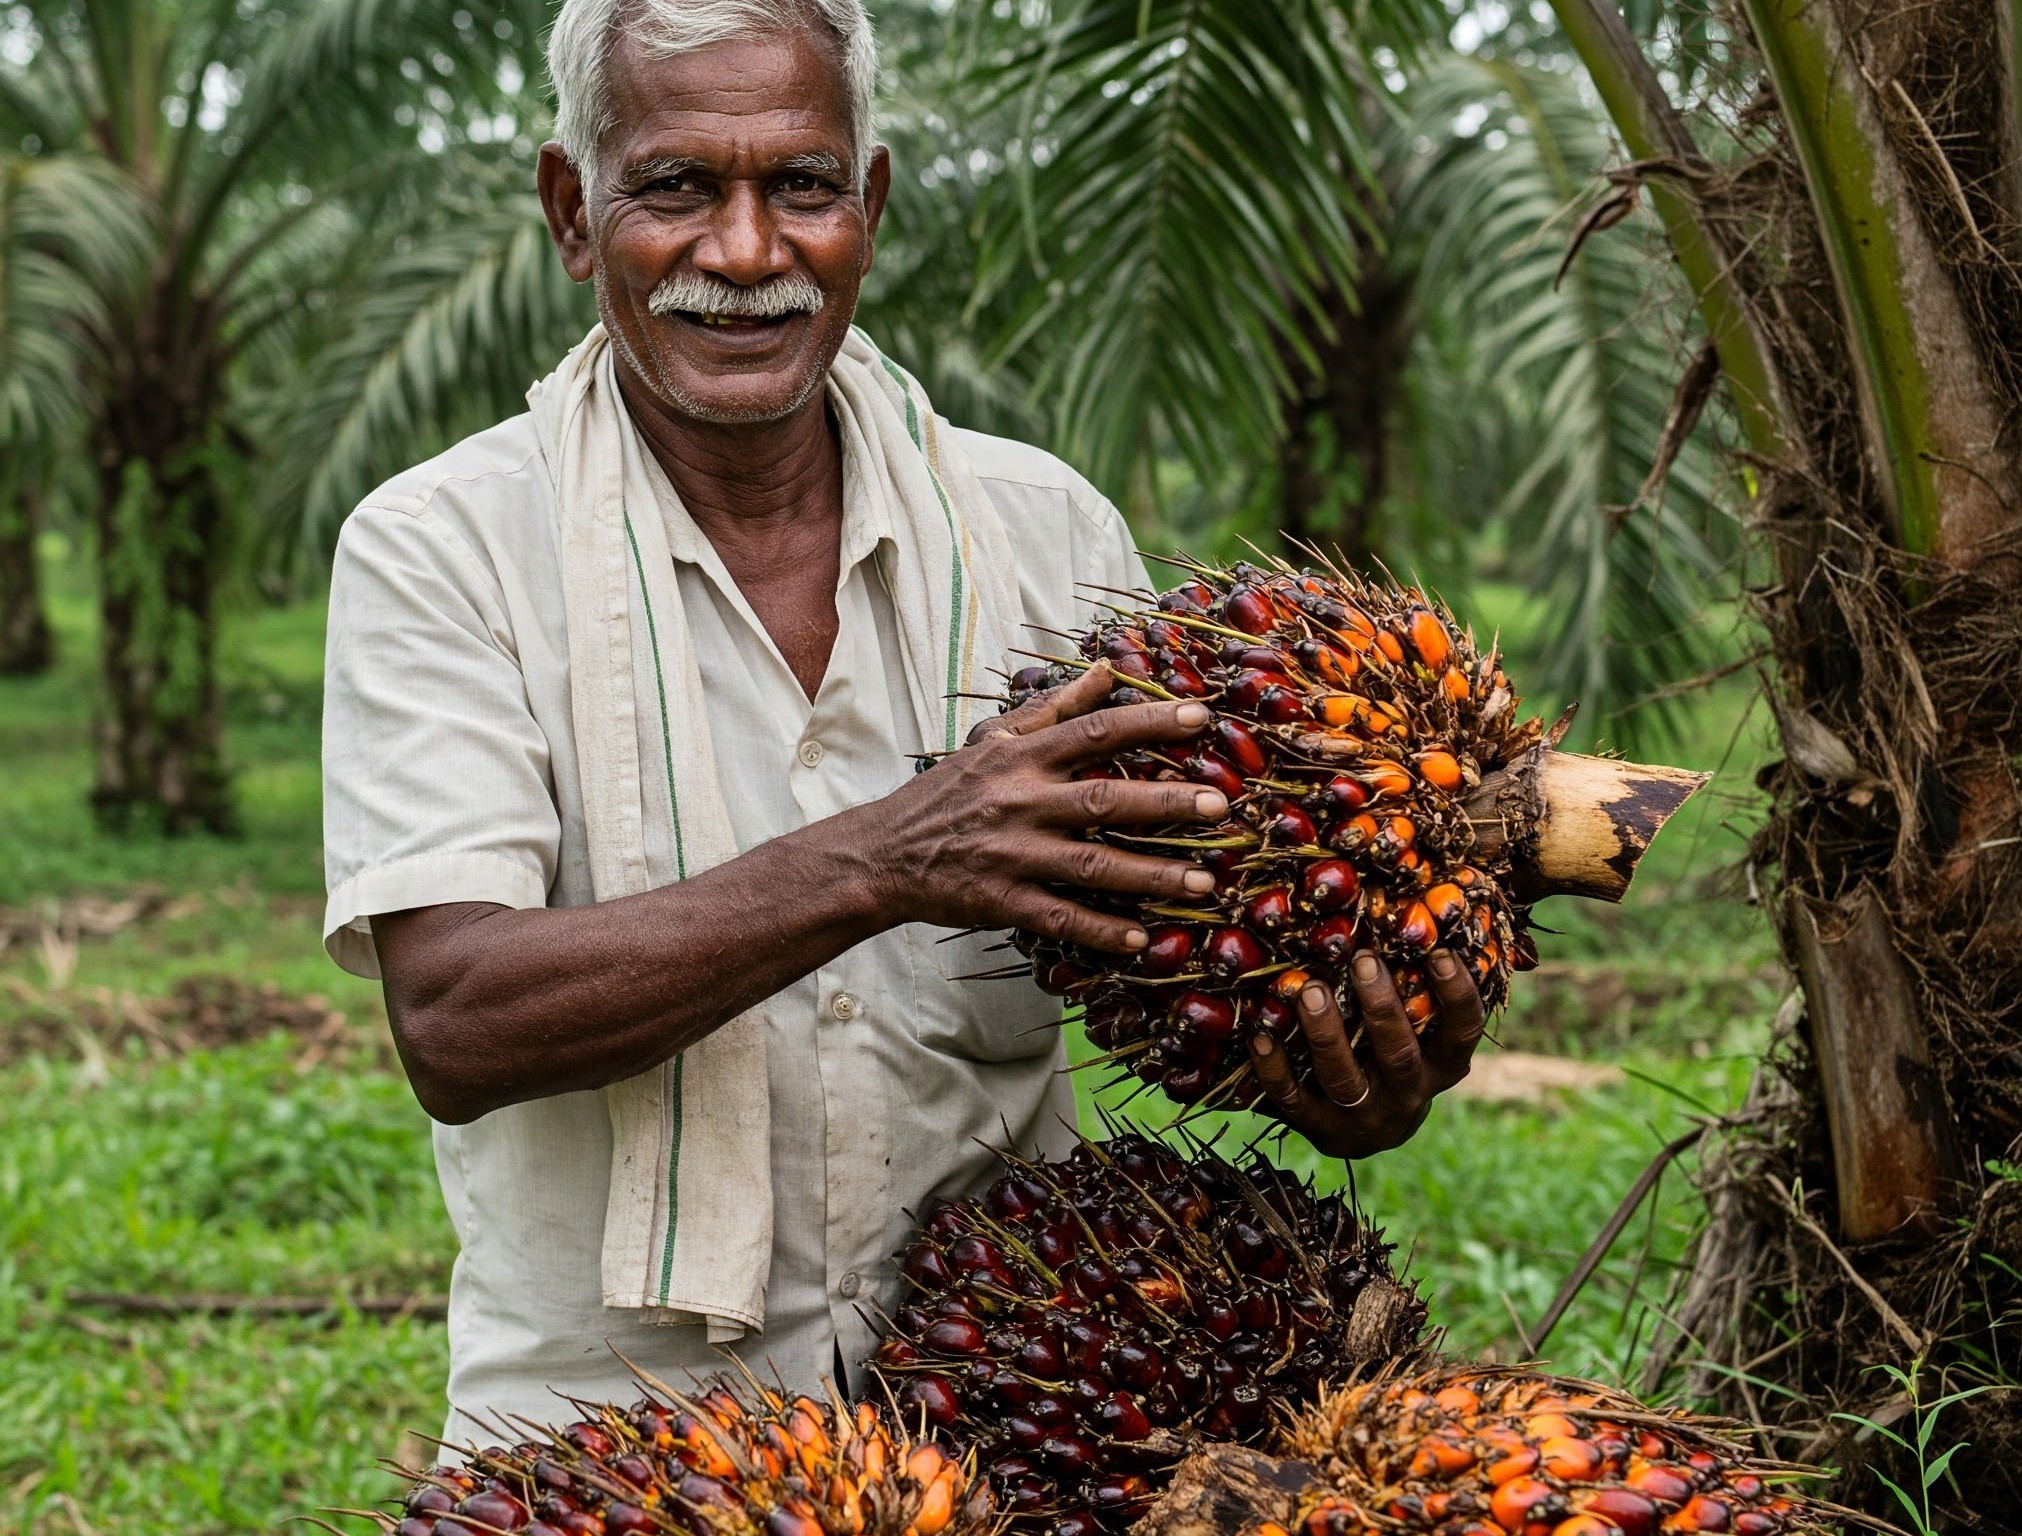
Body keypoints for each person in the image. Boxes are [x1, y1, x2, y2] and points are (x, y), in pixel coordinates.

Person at [318, 0, 1490, 1441]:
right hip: (620, 1446)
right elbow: (455, 1018)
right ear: (575, 210)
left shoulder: (1050, 536)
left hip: (1021, 1421)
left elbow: (1183, 946)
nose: (745, 255)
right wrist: (887, 858)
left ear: (865, 207)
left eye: (800, 187)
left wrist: (1339, 1077)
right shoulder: (443, 548)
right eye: (676, 187)